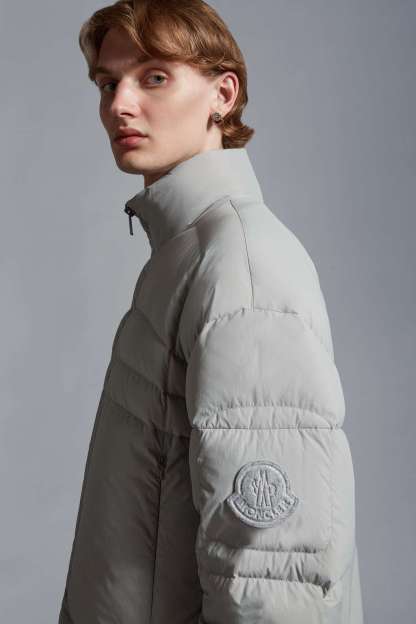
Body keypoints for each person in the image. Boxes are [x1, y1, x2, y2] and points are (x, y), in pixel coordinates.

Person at [58, 1, 364, 622]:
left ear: (223, 94)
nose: (119, 105)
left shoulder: (241, 268)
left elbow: (271, 575)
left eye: (154, 77)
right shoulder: (188, 255)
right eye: (108, 83)